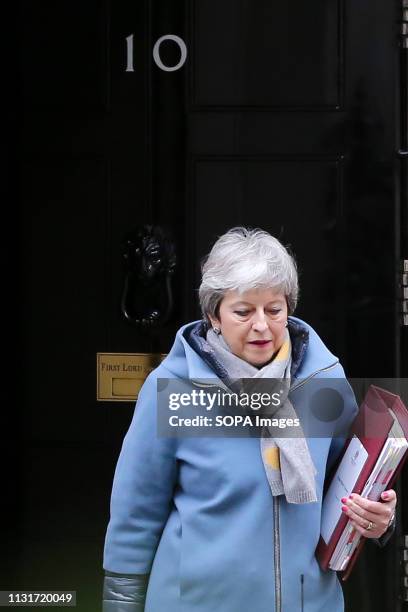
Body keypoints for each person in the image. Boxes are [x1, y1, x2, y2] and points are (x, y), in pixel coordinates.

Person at [102, 227, 397, 612]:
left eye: (274, 309)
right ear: (214, 315)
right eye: (243, 311)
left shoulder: (323, 380)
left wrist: (381, 520)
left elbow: (353, 480)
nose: (262, 325)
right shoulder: (170, 388)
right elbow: (135, 514)